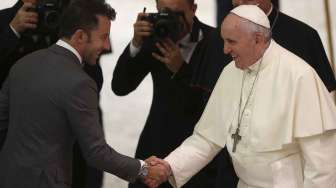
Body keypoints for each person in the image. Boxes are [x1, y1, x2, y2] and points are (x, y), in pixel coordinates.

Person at [145, 5, 336, 188]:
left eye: (232, 42)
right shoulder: (230, 72)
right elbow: (206, 139)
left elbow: (323, 163)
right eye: (224, 41)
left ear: (257, 39)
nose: (225, 50)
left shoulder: (299, 75)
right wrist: (170, 165)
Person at [0, 0, 170, 187]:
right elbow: (97, 153)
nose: (106, 46)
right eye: (103, 37)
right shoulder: (80, 83)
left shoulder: (21, 66)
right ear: (80, 36)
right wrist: (144, 169)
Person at [112, 0, 237, 187]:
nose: (172, 21)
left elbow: (217, 109)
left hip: (202, 163)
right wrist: (136, 44)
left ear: (193, 10)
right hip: (157, 149)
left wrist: (181, 70)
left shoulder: (218, 43)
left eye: (178, 14)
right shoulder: (156, 37)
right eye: (165, 13)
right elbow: (121, 87)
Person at [0, 1, 107, 187]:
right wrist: (13, 32)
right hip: (15, 147)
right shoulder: (4, 20)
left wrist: (71, 44)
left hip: (70, 151)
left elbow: (94, 84)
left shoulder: (74, 20)